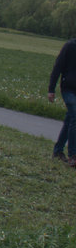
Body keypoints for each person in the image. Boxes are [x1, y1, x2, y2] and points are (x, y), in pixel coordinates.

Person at [48, 38, 76, 167]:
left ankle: (58, 151)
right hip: (68, 89)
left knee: (70, 119)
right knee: (75, 117)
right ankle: (73, 155)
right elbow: (57, 67)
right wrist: (51, 89)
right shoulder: (70, 46)